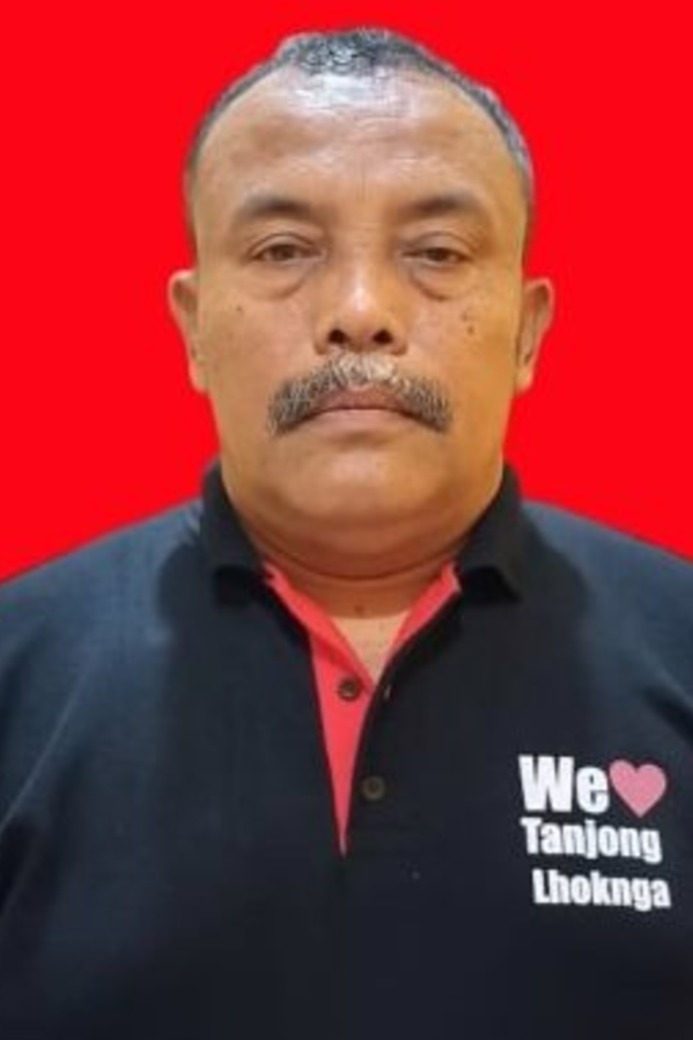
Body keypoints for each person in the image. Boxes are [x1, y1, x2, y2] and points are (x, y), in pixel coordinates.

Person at [0, 26, 691, 1040]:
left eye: (437, 253)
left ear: (529, 330)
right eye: (284, 250)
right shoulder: (16, 668)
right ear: (193, 325)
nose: (360, 312)